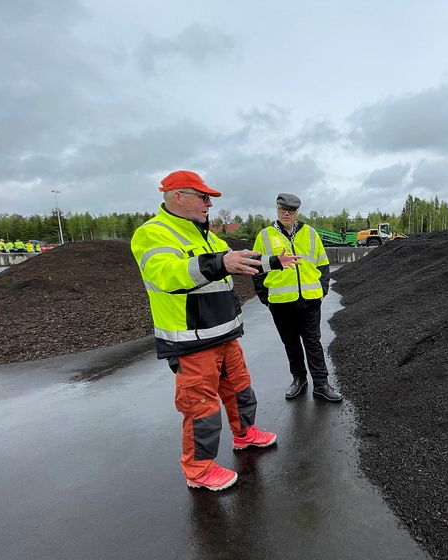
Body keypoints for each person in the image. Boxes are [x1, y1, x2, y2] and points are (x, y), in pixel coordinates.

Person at [131, 170, 300, 491]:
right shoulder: (154, 233)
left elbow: (239, 261)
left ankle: (244, 434)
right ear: (178, 196)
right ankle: (198, 469)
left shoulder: (207, 235)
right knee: (200, 406)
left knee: (240, 389)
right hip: (191, 339)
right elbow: (167, 275)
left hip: (224, 333)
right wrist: (220, 263)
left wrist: (275, 262)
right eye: (203, 197)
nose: (209, 203)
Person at [252, 193, 343, 402]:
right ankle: (299, 378)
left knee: (313, 342)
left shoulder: (310, 233)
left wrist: (323, 290)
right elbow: (256, 268)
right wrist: (265, 297)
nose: (286, 213)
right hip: (280, 302)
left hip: (310, 300)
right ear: (276, 209)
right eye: (283, 209)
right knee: (290, 342)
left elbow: (322, 263)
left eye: (291, 210)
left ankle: (321, 384)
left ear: (297, 212)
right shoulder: (264, 236)